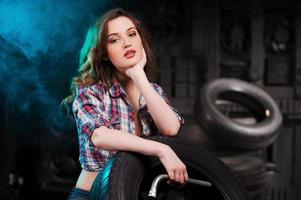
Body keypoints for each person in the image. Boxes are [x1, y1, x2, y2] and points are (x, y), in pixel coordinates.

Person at [62, 8, 188, 200]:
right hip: (91, 196)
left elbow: (170, 128)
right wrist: (162, 149)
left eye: (131, 34)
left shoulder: (153, 91)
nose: (127, 43)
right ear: (103, 53)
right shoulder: (89, 91)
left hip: (132, 194)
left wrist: (139, 77)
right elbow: (100, 136)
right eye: (114, 39)